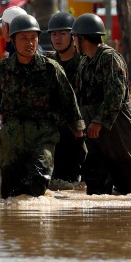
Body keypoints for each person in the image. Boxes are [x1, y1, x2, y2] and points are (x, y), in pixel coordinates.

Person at [0, 13, 84, 198]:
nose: (30, 43)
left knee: (38, 177)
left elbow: (69, 101)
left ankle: (37, 222)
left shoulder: (51, 68)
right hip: (12, 137)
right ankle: (15, 224)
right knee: (10, 190)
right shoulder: (3, 69)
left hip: (43, 135)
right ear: (13, 40)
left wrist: (79, 137)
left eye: (33, 38)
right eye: (24, 38)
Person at [73, 13, 131, 196]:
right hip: (94, 132)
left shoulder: (110, 58)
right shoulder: (84, 62)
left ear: (82, 39)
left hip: (117, 128)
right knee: (95, 182)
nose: (73, 42)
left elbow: (116, 94)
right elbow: (80, 96)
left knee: (127, 186)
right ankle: (99, 222)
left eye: (74, 38)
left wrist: (99, 122)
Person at [46, 11, 86, 183]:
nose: (58, 38)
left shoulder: (84, 62)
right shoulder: (47, 63)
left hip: (79, 129)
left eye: (63, 33)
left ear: (73, 36)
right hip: (53, 129)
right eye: (54, 34)